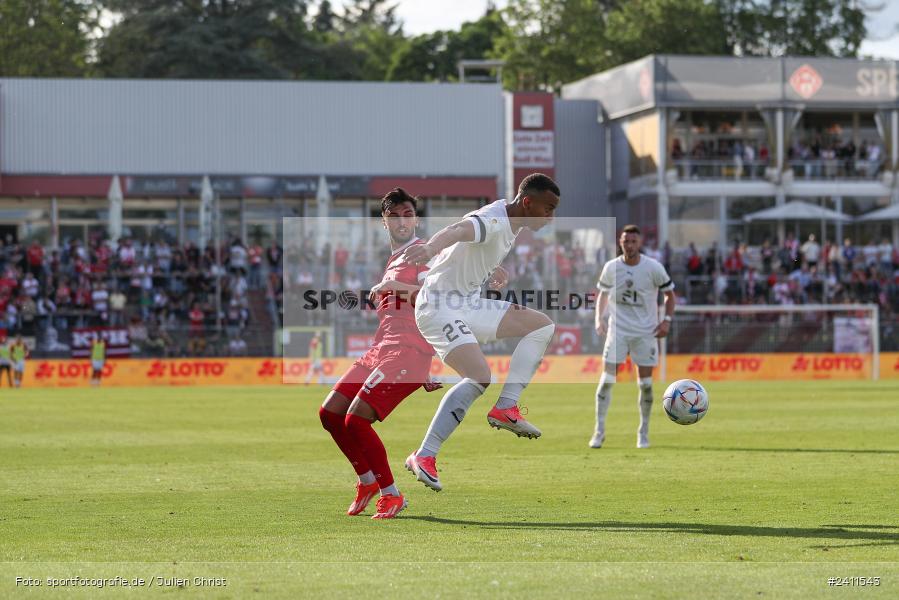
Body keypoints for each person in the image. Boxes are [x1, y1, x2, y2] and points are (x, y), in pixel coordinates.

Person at [402, 173, 560, 492]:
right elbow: (459, 229)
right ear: (528, 203)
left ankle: (506, 407)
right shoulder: (494, 220)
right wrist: (431, 247)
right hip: (439, 305)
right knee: (479, 376)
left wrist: (492, 269)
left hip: (468, 304)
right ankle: (424, 455)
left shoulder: (512, 222)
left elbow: (469, 250)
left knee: (541, 325)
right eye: (548, 208)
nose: (551, 216)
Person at [318, 187, 441, 520]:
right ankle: (367, 482)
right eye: (395, 216)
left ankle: (391, 494)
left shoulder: (422, 253)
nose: (403, 221)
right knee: (329, 413)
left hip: (406, 351)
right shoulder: (394, 259)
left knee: (356, 419)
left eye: (408, 214)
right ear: (384, 221)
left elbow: (436, 299)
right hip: (381, 347)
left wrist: (394, 288)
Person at [591, 225, 676, 449]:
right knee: (607, 381)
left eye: (633, 242)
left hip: (645, 333)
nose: (629, 245)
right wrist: (599, 318)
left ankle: (643, 433)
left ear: (639, 243)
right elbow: (602, 293)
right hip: (618, 331)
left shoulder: (653, 267)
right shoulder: (611, 267)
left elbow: (669, 294)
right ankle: (599, 432)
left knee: (646, 385)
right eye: (625, 241)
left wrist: (666, 320)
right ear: (620, 242)